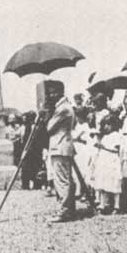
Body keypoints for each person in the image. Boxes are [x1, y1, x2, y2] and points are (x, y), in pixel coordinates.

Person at [45, 82, 76, 223]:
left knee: (62, 181)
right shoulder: (64, 106)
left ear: (59, 92)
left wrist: (46, 114)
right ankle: (68, 208)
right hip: (62, 146)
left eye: (52, 93)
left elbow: (49, 127)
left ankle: (64, 211)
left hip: (60, 146)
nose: (50, 96)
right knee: (65, 179)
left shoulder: (63, 109)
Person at [93, 114, 122, 214]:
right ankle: (102, 204)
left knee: (114, 182)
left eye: (108, 124)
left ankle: (116, 206)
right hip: (104, 161)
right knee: (103, 182)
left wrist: (103, 147)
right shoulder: (105, 136)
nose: (106, 127)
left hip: (112, 161)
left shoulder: (116, 135)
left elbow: (116, 150)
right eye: (104, 124)